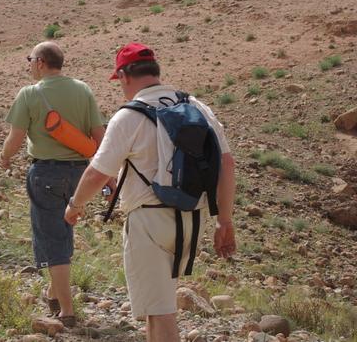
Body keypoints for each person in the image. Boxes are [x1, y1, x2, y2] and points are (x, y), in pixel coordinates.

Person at [65, 43, 236, 342]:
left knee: (162, 312)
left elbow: (97, 172)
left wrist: (75, 205)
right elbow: (227, 163)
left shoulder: (129, 116)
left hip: (149, 221)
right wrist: (225, 221)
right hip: (193, 218)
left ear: (124, 76)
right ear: (155, 72)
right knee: (158, 308)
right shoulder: (196, 106)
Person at [0, 41, 105, 328]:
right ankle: (53, 293)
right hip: (81, 176)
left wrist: (5, 156)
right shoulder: (83, 89)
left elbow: (16, 138)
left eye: (30, 59)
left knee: (52, 239)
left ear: (42, 62)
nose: (29, 64)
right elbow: (99, 135)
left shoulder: (30, 94)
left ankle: (66, 311)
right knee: (64, 232)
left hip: (45, 174)